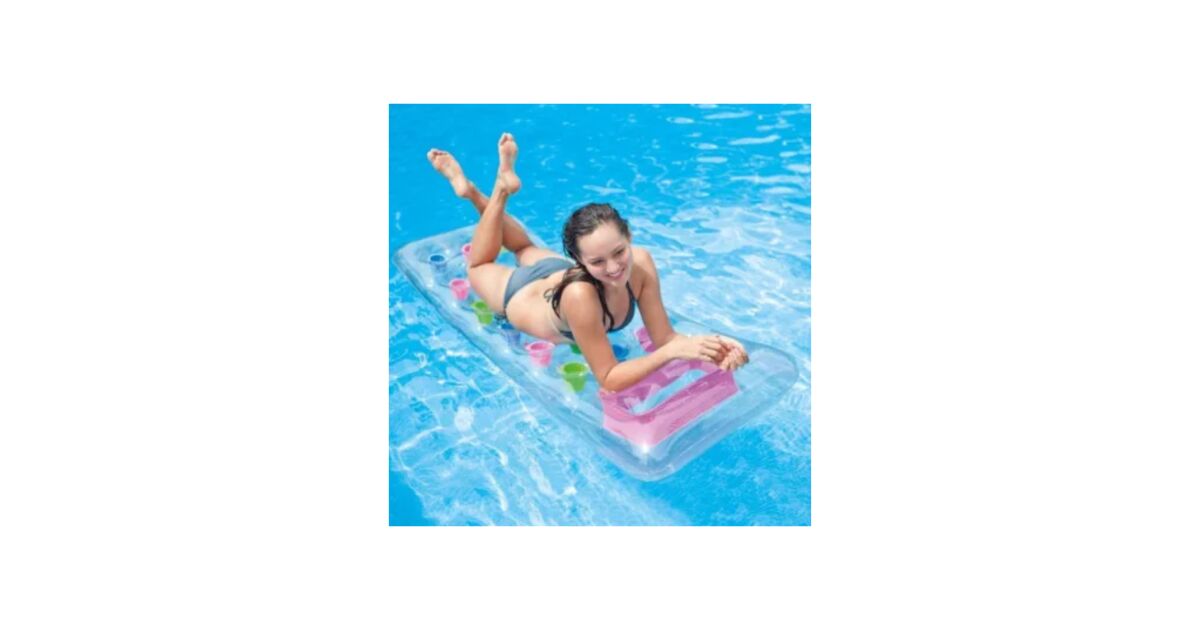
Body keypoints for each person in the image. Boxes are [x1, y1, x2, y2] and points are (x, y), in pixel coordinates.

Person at [427, 132, 749, 393]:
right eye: (597, 261)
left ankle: (476, 192)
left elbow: (666, 337)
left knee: (523, 246)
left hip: (556, 274)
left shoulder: (641, 263)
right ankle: (492, 190)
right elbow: (608, 377)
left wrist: (719, 345)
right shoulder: (580, 296)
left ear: (629, 237)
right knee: (478, 266)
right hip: (522, 296)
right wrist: (668, 354)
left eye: (619, 252)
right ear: (579, 261)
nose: (613, 268)